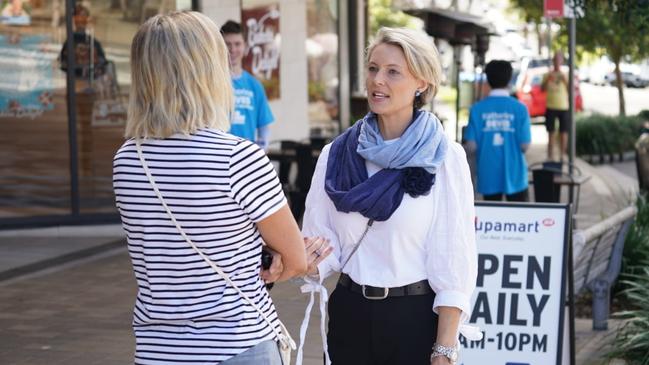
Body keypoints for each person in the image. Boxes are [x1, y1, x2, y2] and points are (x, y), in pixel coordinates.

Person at [113, 12, 329, 364]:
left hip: (157, 350)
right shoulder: (238, 158)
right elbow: (295, 258)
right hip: (236, 346)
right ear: (205, 72)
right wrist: (274, 260)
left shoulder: (127, 158)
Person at [299, 27, 479, 365]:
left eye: (392, 72)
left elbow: (455, 259)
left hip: (414, 318)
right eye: (372, 68)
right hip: (349, 313)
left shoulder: (444, 157)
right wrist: (304, 261)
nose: (377, 80)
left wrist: (445, 348)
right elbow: (322, 241)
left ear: (421, 83)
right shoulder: (335, 155)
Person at [464, 60, 532, 202]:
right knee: (519, 221)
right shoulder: (520, 109)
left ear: (488, 80)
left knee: (493, 221)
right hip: (516, 176)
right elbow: (524, 145)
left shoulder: (477, 109)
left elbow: (471, 147)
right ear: (509, 79)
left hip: (488, 174)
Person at [220, 20, 274, 151]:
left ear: (245, 46)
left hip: (246, 156)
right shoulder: (212, 83)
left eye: (237, 44)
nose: (232, 49)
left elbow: (264, 128)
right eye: (227, 44)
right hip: (220, 154)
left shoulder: (254, 85)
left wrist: (260, 153)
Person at [59, 4, 107, 80]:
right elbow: (63, 64)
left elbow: (102, 63)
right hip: (75, 81)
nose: (80, 20)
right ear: (74, 20)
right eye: (78, 17)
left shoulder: (94, 43)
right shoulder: (69, 43)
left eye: (83, 17)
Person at [541, 52, 569, 161]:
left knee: (564, 132)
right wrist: (548, 79)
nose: (557, 62)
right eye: (555, 60)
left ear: (562, 61)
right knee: (550, 132)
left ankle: (562, 155)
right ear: (553, 61)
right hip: (551, 106)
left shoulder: (565, 75)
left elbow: (570, 90)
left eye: (559, 60)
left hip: (563, 107)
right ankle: (550, 156)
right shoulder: (547, 75)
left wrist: (564, 79)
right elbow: (542, 89)